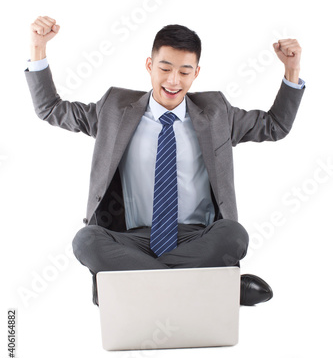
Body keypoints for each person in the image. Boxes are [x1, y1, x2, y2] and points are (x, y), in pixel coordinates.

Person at [25, 16, 305, 307]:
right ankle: (214, 288)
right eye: (165, 68)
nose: (173, 80)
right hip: (133, 241)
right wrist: (37, 48)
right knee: (86, 241)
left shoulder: (216, 113)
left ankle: (132, 283)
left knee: (233, 235)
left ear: (196, 73)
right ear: (149, 66)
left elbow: (275, 126)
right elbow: (50, 108)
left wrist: (292, 69)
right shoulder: (114, 108)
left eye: (184, 72)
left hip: (197, 238)